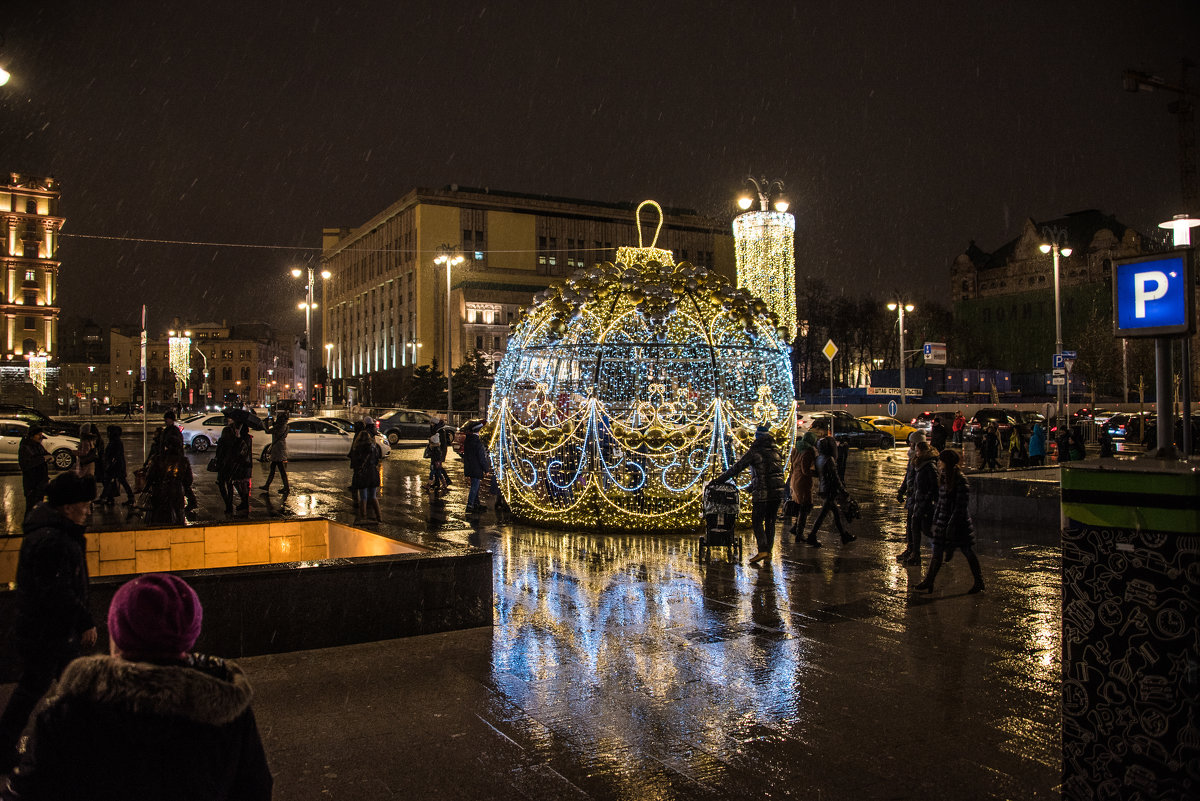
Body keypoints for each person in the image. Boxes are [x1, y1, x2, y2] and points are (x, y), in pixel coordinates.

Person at [1, 573, 273, 799]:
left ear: (117, 634)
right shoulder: (226, 712)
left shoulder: (66, 716)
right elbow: (255, 789)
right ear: (189, 634)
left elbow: (27, 792)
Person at [0, 473, 98, 772]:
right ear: (68, 507)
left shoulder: (54, 531)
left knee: (67, 689)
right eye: (84, 504)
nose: (88, 510)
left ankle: (72, 746)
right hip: (49, 632)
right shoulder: (52, 539)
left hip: (49, 629)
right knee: (42, 689)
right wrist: (84, 621)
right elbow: (58, 591)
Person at [712, 423, 786, 564]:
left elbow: (736, 468)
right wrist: (752, 486)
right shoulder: (776, 450)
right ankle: (768, 552)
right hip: (777, 492)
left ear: (757, 438)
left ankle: (763, 549)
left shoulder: (755, 451)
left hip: (763, 493)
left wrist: (718, 480)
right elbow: (772, 472)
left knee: (757, 521)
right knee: (770, 522)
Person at [915, 449, 984, 594]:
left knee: (967, 552)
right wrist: (936, 521)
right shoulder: (945, 477)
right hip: (943, 523)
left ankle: (979, 581)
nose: (939, 463)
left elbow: (960, 506)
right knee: (937, 553)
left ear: (947, 462)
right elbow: (940, 502)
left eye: (941, 461)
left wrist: (951, 525)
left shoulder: (960, 480)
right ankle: (929, 581)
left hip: (958, 525)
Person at [804, 428, 855, 547]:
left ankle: (844, 535)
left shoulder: (819, 458)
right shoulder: (829, 459)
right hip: (830, 489)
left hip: (824, 489)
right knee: (823, 514)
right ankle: (812, 535)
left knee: (836, 514)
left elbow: (818, 473)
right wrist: (843, 491)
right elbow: (835, 477)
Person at [898, 440, 938, 565]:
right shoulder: (915, 462)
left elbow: (934, 486)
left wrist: (928, 500)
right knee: (911, 526)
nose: (916, 451)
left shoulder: (929, 465)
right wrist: (902, 491)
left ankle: (939, 549)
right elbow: (908, 478)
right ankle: (913, 551)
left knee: (924, 529)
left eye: (918, 450)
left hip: (922, 502)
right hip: (914, 499)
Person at [144, 433, 193, 525]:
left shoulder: (158, 459)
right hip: (177, 492)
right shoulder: (183, 461)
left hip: (160, 492)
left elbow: (150, 476)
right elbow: (188, 480)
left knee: (159, 519)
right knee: (178, 517)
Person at [785, 426, 820, 543]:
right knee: (806, 506)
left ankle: (796, 528)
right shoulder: (808, 452)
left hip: (794, 480)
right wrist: (817, 473)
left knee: (801, 506)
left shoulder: (796, 449)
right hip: (803, 482)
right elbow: (806, 470)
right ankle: (799, 534)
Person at [215, 412, 253, 514]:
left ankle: (229, 505)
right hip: (231, 462)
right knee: (230, 483)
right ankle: (231, 504)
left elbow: (225, 447)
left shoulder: (231, 432)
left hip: (227, 462)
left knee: (225, 483)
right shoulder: (235, 433)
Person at [350, 416, 382, 521]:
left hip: (363, 473)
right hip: (373, 472)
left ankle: (363, 516)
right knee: (373, 496)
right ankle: (379, 516)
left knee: (363, 497)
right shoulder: (373, 446)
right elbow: (377, 457)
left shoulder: (358, 448)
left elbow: (357, 460)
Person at [17, 426, 52, 520]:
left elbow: (45, 454)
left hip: (41, 482)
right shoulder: (25, 447)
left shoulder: (38, 445)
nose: (41, 437)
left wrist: (49, 457)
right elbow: (27, 464)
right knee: (31, 507)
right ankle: (29, 527)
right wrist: (43, 458)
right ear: (31, 436)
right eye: (39, 435)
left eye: (41, 435)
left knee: (38, 507)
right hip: (32, 484)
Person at [98, 425, 135, 506]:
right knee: (110, 482)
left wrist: (110, 463)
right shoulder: (114, 441)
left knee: (118, 481)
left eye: (108, 432)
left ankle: (106, 498)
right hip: (116, 466)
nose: (107, 433)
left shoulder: (116, 442)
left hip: (116, 466)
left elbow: (116, 455)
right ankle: (107, 498)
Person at [462, 421, 493, 515]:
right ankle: (470, 505)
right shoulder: (478, 441)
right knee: (475, 487)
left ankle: (476, 503)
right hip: (476, 467)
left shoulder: (468, 439)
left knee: (475, 485)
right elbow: (481, 457)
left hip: (470, 466)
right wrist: (486, 469)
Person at [261, 411, 290, 496]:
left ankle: (286, 487)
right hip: (279, 448)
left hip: (278, 450)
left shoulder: (279, 427)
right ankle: (268, 485)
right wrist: (273, 422)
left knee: (279, 469)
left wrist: (266, 423)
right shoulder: (284, 426)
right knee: (274, 468)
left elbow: (268, 431)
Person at [427, 418, 451, 493]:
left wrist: (440, 454)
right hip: (436, 452)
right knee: (437, 468)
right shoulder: (437, 430)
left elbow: (442, 444)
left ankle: (446, 481)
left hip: (438, 453)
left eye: (432, 423)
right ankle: (438, 482)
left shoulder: (440, 431)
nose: (431, 425)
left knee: (437, 468)